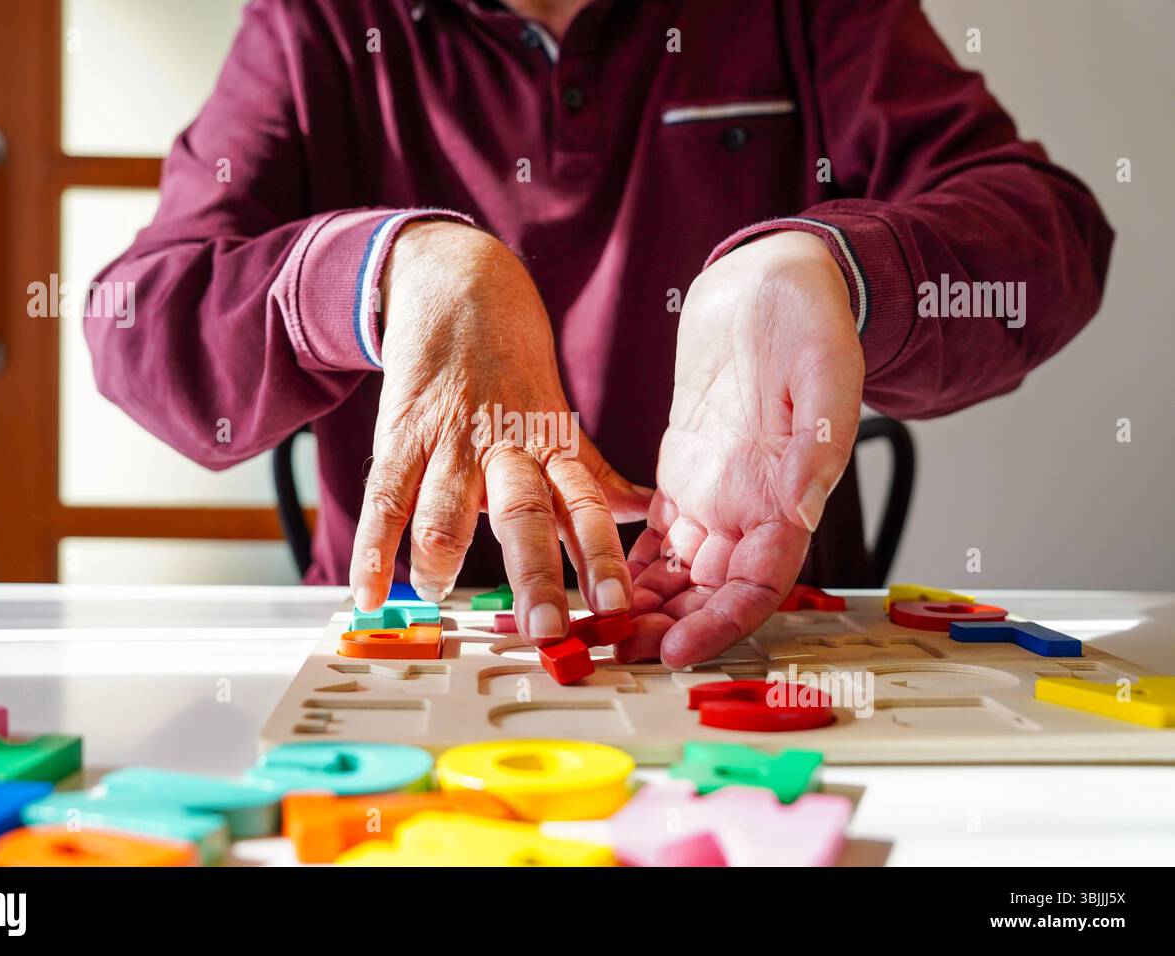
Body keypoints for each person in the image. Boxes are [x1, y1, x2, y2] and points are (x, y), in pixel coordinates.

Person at [85, 0, 1112, 666]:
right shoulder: (318, 22)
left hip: (750, 637)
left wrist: (823, 265)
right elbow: (136, 315)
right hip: (413, 649)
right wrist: (386, 268)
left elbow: (1050, 232)